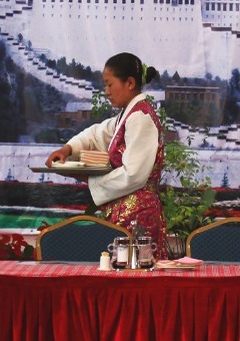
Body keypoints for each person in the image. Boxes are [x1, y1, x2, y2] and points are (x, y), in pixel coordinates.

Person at [45, 52, 169, 260]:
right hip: (129, 213)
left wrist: (90, 179)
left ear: (130, 83)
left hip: (139, 216)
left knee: (137, 280)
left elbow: (134, 175)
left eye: (110, 85)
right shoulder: (129, 114)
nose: (107, 91)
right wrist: (68, 149)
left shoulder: (141, 118)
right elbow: (97, 132)